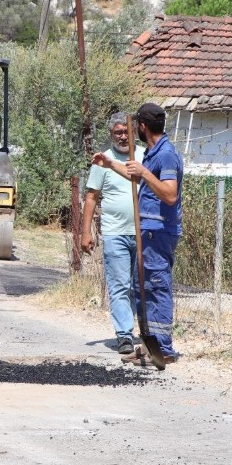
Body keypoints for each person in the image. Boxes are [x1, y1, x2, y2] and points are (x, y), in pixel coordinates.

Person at [91, 103, 183, 366]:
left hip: (159, 232)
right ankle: (149, 346)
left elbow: (169, 194)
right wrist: (111, 165)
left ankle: (163, 349)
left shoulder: (165, 155)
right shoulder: (154, 153)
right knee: (143, 290)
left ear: (142, 127)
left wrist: (143, 172)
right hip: (147, 231)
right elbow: (141, 179)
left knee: (156, 288)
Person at [81, 112, 146, 356]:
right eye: (117, 132)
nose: (122, 136)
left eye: (125, 131)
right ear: (111, 134)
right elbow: (91, 197)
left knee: (140, 286)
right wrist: (85, 233)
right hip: (115, 233)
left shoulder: (144, 156)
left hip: (143, 233)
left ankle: (148, 331)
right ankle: (125, 335)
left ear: (133, 132)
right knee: (119, 285)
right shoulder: (102, 160)